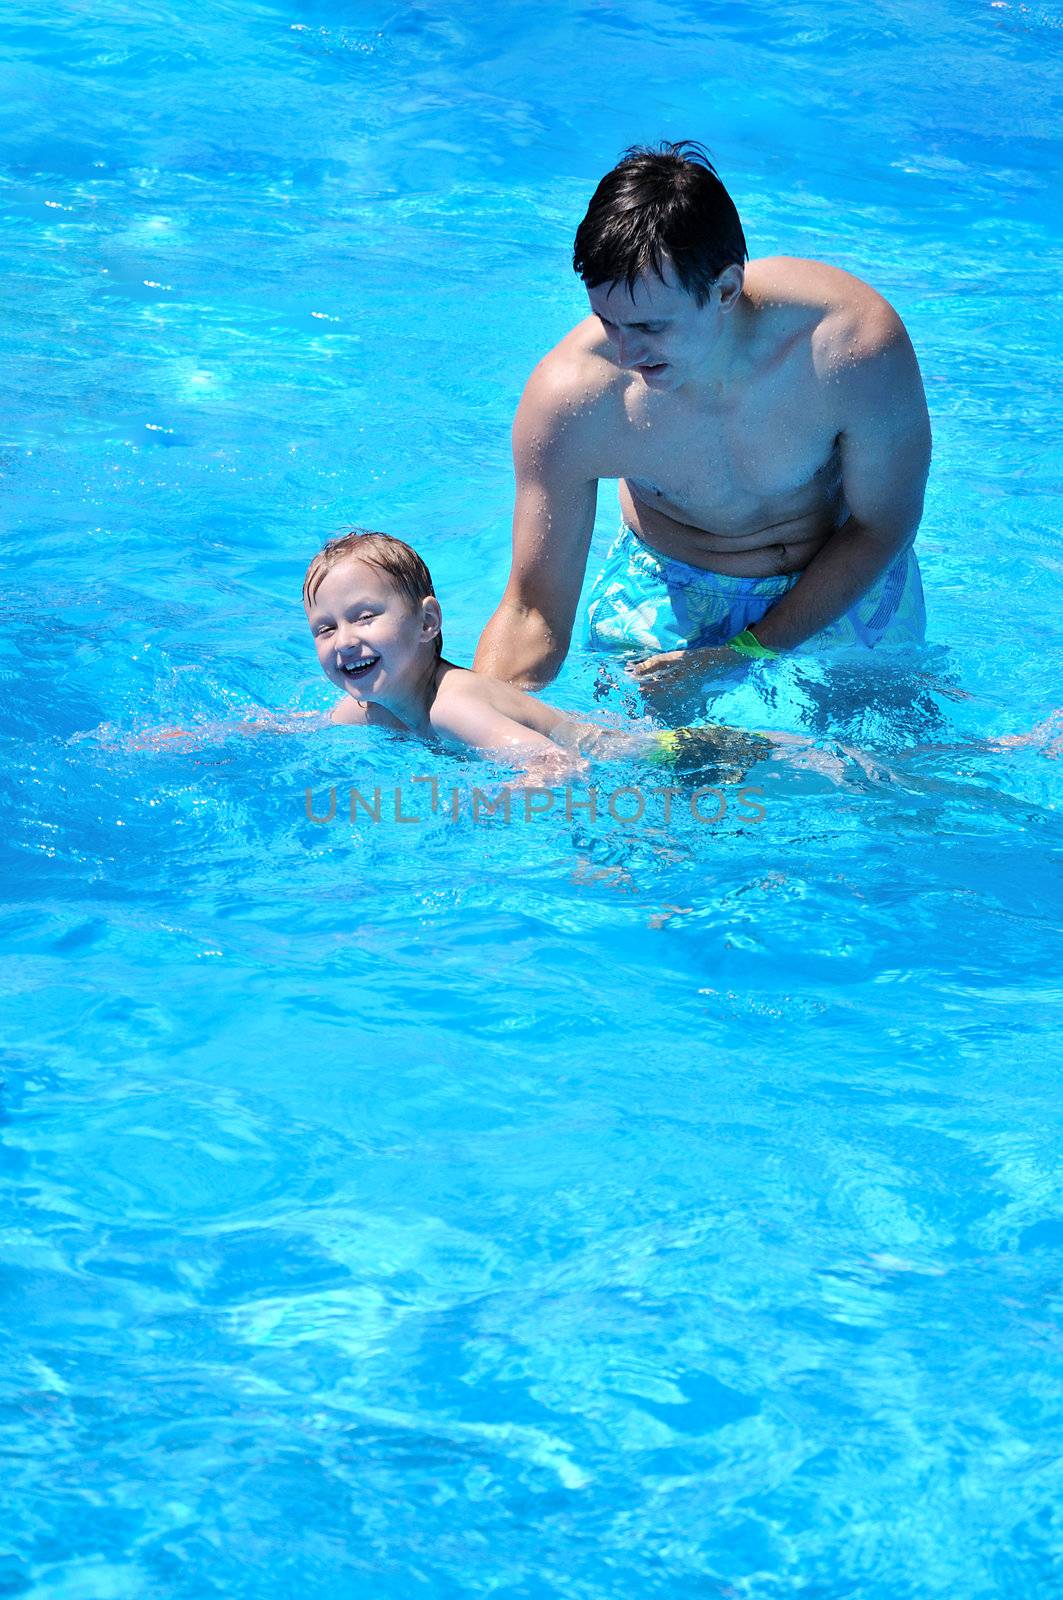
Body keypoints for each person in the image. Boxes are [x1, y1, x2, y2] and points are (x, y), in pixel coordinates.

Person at [473, 140, 932, 705]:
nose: (624, 351)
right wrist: (483, 730)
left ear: (725, 290)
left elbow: (882, 528)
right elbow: (532, 610)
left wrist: (748, 652)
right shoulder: (574, 400)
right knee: (655, 778)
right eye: (606, 321)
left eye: (649, 327)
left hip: (842, 578)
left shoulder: (848, 345)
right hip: (671, 589)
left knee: (883, 769)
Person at [302, 527, 787, 782]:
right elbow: (295, 730)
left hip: (657, 758)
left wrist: (488, 807)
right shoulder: (370, 710)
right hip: (632, 756)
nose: (344, 640)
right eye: (326, 628)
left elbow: (557, 765)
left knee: (797, 766)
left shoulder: (452, 708)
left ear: (427, 623)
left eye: (365, 617)